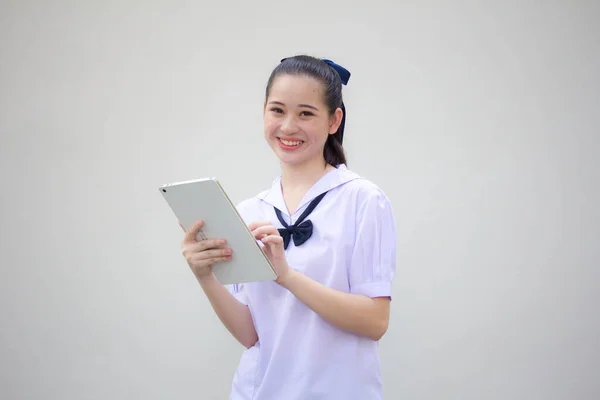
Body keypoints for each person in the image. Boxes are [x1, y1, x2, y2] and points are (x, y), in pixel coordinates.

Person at [180, 55, 397, 400]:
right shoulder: (249, 211)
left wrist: (287, 276)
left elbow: (375, 322)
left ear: (333, 120)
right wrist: (204, 274)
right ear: (263, 111)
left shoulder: (363, 201)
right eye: (277, 110)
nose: (288, 126)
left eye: (306, 113)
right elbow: (250, 334)